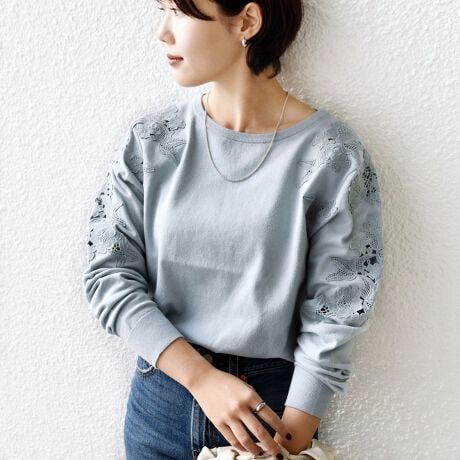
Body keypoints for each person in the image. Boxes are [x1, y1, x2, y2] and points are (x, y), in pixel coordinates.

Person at [82, 0, 385, 459]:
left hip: (271, 415)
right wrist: (201, 378)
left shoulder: (331, 155)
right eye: (162, 9)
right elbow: (108, 273)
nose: (163, 32)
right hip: (159, 404)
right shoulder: (153, 141)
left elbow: (338, 306)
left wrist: (290, 440)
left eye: (180, 11)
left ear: (247, 21)